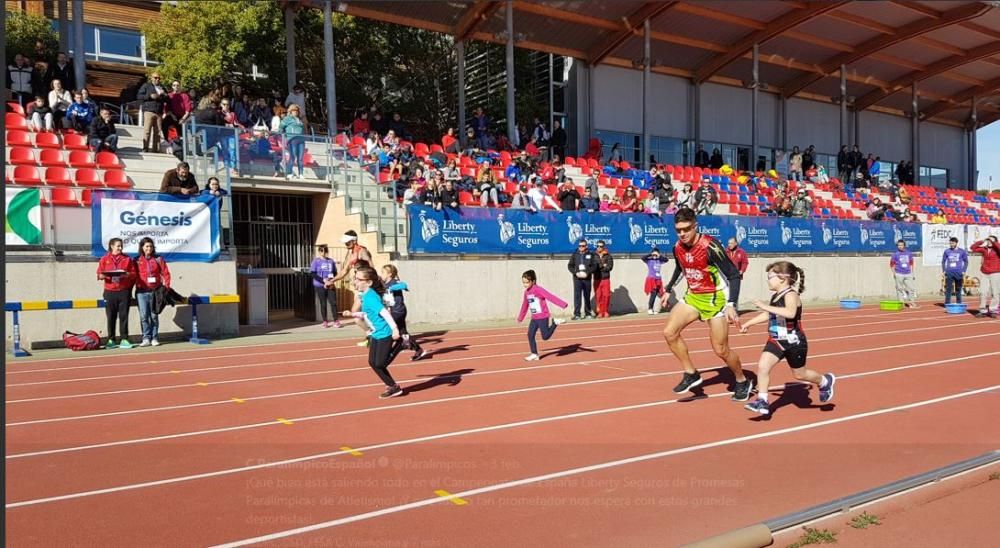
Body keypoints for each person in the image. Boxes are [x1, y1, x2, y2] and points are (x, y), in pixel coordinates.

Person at [663, 208, 753, 401]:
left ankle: (741, 380)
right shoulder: (677, 247)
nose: (682, 234)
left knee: (721, 350)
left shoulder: (710, 246)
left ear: (695, 226)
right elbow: (680, 267)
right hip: (694, 296)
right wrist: (668, 288)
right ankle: (691, 373)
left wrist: (731, 304)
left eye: (686, 229)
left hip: (716, 299)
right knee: (669, 333)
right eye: (678, 230)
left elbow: (734, 275)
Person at [739, 261, 835, 416]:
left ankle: (824, 381)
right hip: (776, 340)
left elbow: (790, 313)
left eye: (770, 276)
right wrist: (748, 323)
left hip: (794, 342)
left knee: (799, 375)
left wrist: (764, 305)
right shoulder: (775, 296)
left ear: (783, 278)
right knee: (763, 366)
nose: (768, 280)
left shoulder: (791, 294)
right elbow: (769, 314)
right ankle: (762, 401)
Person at [342, 266, 403, 398]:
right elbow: (368, 312)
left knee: (380, 363)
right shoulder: (366, 295)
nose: (355, 282)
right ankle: (393, 386)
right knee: (372, 362)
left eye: (358, 279)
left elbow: (385, 313)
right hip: (376, 333)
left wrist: (395, 329)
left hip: (384, 333)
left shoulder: (370, 297)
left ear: (368, 282)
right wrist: (353, 314)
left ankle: (401, 345)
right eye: (355, 278)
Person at [517, 269, 567, 361]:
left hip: (543, 316)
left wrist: (562, 304)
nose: (525, 285)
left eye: (527, 282)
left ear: (533, 281)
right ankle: (534, 354)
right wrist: (521, 317)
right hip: (534, 318)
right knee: (530, 334)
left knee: (545, 337)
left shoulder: (538, 290)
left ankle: (555, 323)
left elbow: (550, 296)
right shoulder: (526, 292)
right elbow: (525, 305)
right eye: (523, 282)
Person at [97, 237, 137, 349]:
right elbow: (99, 274)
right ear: (112, 246)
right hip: (110, 291)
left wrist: (127, 275)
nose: (120, 248)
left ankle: (124, 339)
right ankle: (111, 340)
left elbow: (133, 274)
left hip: (124, 291)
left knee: (124, 316)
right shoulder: (104, 259)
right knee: (111, 316)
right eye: (118, 245)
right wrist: (104, 275)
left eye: (121, 246)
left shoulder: (127, 259)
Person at [381, 264, 426, 361]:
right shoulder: (383, 284)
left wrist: (392, 288)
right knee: (403, 333)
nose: (381, 274)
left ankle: (387, 350)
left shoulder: (394, 282)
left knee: (388, 327)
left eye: (383, 272)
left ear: (389, 274)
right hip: (393, 310)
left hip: (398, 311)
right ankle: (418, 350)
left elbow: (404, 285)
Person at [134, 237, 171, 347]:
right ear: (142, 247)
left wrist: (166, 288)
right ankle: (146, 338)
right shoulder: (136, 260)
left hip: (155, 292)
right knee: (144, 316)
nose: (149, 248)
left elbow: (166, 273)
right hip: (141, 292)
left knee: (154, 316)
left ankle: (154, 337)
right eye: (146, 246)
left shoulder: (158, 259)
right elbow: (132, 276)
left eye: (150, 246)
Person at [310, 244, 341, 328]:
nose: (323, 252)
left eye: (325, 251)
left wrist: (331, 281)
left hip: (330, 284)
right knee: (323, 303)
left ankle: (336, 321)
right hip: (320, 285)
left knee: (333, 303)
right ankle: (325, 321)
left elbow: (334, 272)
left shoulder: (331, 261)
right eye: (321, 251)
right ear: (319, 251)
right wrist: (323, 281)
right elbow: (313, 273)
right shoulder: (316, 261)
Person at [567, 238, 599, 320]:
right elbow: (570, 265)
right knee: (577, 296)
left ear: (586, 246)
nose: (581, 247)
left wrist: (587, 273)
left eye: (583, 246)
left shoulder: (591, 255)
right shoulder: (574, 255)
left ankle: (588, 313)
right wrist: (575, 273)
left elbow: (594, 266)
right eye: (580, 246)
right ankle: (577, 314)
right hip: (577, 279)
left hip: (587, 278)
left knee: (587, 296)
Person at [970, 235, 1000, 318]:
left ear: (995, 241)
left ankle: (993, 310)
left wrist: (994, 242)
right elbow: (973, 248)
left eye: (991, 240)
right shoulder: (984, 249)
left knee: (995, 292)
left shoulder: (997, 249)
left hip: (995, 273)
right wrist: (982, 241)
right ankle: (982, 310)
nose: (989, 241)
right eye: (988, 240)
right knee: (983, 292)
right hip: (984, 273)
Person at [641, 247, 671, 315]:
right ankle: (650, 308)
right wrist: (650, 254)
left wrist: (659, 256)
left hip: (658, 279)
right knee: (653, 294)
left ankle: (659, 308)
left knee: (660, 293)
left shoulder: (659, 260)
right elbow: (643, 258)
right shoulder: (649, 260)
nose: (654, 256)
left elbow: (666, 260)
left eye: (656, 254)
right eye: (653, 254)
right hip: (651, 279)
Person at [890, 239, 918, 308]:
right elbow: (891, 264)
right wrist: (894, 273)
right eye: (898, 245)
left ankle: (911, 303)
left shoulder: (909, 253)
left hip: (908, 273)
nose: (900, 246)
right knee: (899, 289)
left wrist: (912, 273)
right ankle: (901, 303)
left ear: (904, 245)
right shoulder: (895, 254)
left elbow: (911, 263)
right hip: (899, 273)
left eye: (901, 245)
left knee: (911, 289)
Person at [941, 237, 968, 305]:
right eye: (950, 243)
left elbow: (966, 261)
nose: (951, 244)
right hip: (949, 272)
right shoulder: (947, 251)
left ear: (956, 243)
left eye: (952, 243)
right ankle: (947, 303)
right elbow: (943, 261)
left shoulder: (962, 251)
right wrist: (944, 270)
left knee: (958, 289)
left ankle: (959, 302)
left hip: (958, 272)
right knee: (948, 289)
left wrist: (963, 270)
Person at [593, 240, 613, 318]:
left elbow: (609, 267)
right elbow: (593, 267)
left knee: (606, 296)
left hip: (605, 279)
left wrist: (600, 266)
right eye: (597, 246)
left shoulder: (608, 256)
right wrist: (603, 265)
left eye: (601, 246)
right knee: (599, 296)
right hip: (597, 279)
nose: (599, 247)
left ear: (604, 247)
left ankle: (606, 311)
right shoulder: (594, 256)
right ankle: (600, 312)